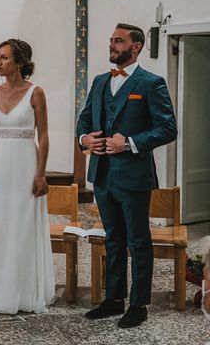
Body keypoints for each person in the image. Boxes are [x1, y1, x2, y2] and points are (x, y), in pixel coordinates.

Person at [77, 23, 177, 328]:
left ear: (136, 47)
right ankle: (114, 299)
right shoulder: (98, 81)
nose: (112, 45)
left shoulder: (151, 83)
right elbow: (83, 120)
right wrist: (85, 140)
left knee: (138, 241)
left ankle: (139, 304)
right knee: (113, 239)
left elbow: (168, 128)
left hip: (134, 178)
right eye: (110, 40)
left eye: (118, 41)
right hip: (103, 176)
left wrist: (130, 143)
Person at [0, 39, 56, 314]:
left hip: (26, 165)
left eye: (4, 58)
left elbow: (44, 135)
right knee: (1, 226)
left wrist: (41, 173)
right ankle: (1, 289)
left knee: (23, 227)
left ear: (19, 62)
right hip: (0, 165)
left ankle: (25, 292)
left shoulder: (36, 93)